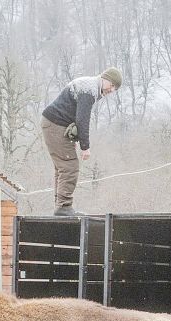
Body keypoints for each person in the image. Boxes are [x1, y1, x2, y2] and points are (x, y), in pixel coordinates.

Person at [41, 67, 122, 216]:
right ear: (105, 78)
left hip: (53, 124)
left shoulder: (89, 86)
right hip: (55, 125)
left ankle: (60, 206)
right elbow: (82, 120)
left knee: (62, 167)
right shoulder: (89, 90)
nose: (111, 90)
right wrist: (85, 147)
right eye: (111, 85)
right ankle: (63, 207)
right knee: (69, 165)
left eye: (114, 89)